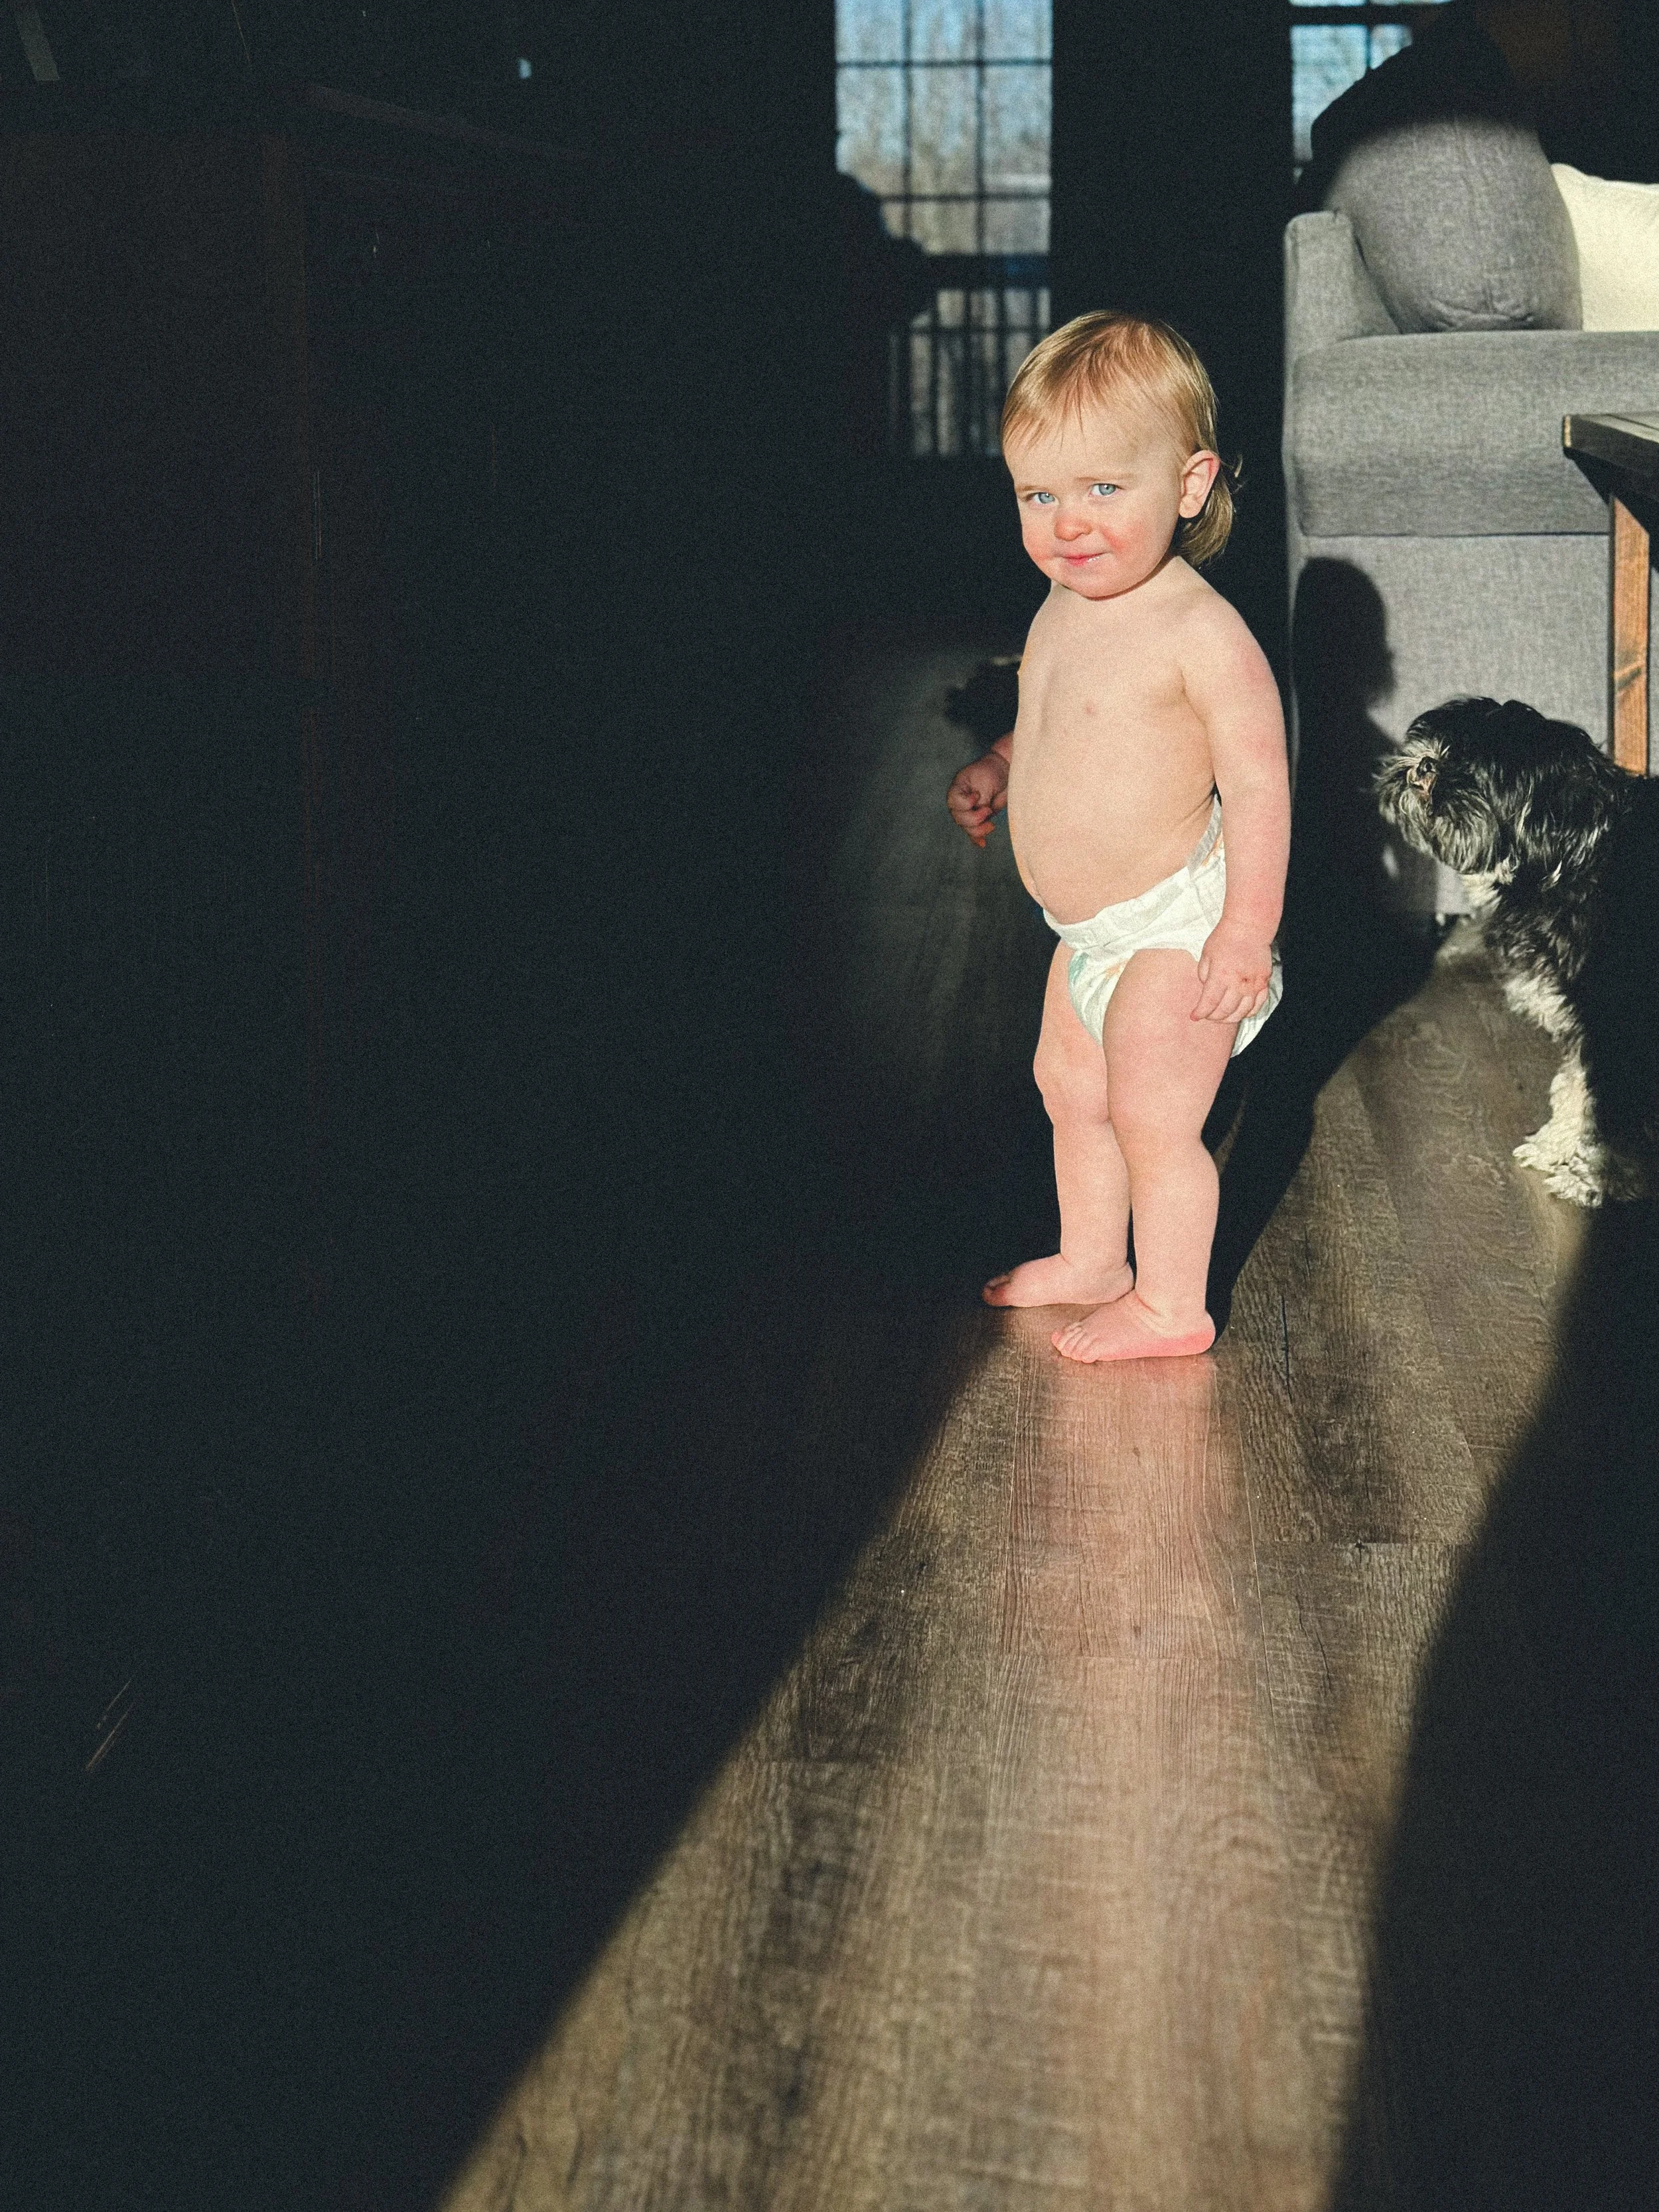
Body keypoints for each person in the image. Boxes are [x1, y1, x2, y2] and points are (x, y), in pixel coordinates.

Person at [946, 313, 1289, 1361]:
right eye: (1038, 495)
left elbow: (1263, 787)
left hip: (1179, 924)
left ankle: (1172, 1306)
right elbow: (1054, 713)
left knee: (1152, 1115)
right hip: (1089, 933)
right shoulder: (1063, 600)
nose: (1068, 524)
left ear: (1189, 488)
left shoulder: (1202, 632)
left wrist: (1244, 933)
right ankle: (1096, 1255)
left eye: (1104, 490)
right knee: (1072, 1093)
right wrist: (1003, 762)